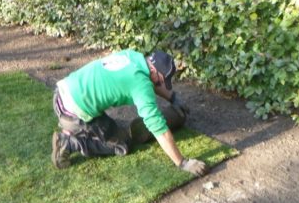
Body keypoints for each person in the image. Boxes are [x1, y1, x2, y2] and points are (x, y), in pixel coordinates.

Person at [51, 49, 209, 176]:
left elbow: (151, 81)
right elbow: (158, 127)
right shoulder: (140, 84)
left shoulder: (133, 56)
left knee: (115, 129)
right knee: (122, 144)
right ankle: (69, 143)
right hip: (72, 111)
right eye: (162, 80)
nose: (162, 84)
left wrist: (173, 98)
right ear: (153, 71)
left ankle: (78, 130)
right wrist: (183, 162)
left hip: (63, 91)